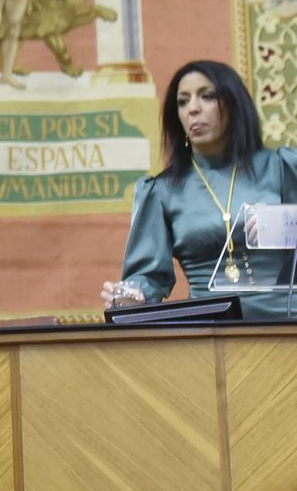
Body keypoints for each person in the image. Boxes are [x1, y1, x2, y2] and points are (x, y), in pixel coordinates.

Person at [104, 60, 297, 318]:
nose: (193, 109)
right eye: (183, 102)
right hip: (210, 331)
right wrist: (131, 296)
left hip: (287, 323)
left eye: (207, 96)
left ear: (234, 104)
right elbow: (147, 278)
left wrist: (281, 224)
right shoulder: (162, 191)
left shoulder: (281, 167)